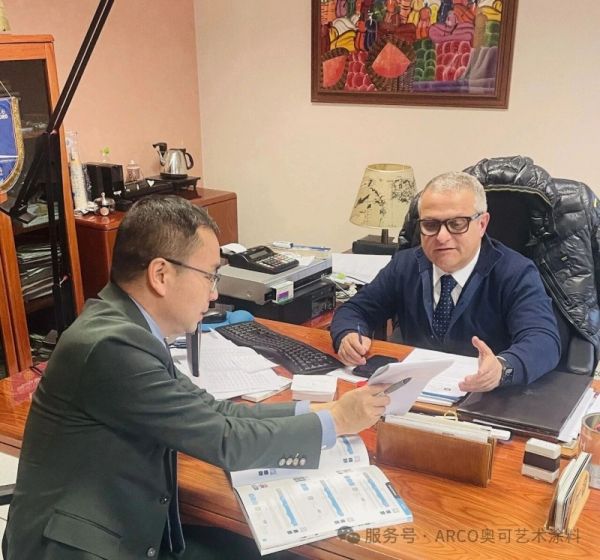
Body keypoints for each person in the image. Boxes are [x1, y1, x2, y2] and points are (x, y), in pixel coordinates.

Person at [3, 195, 390, 560]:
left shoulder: (128, 327)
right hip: (78, 548)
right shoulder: (112, 346)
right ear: (161, 274)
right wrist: (335, 423)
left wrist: (322, 411)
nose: (214, 294)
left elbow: (217, 411)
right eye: (210, 276)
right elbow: (225, 439)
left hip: (126, 528)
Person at [330, 172, 561, 392]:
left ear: (482, 224)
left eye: (457, 224)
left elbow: (543, 340)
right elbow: (355, 310)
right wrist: (348, 334)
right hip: (413, 393)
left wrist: (502, 368)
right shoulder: (406, 264)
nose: (441, 237)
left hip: (485, 398)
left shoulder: (515, 272)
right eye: (430, 225)